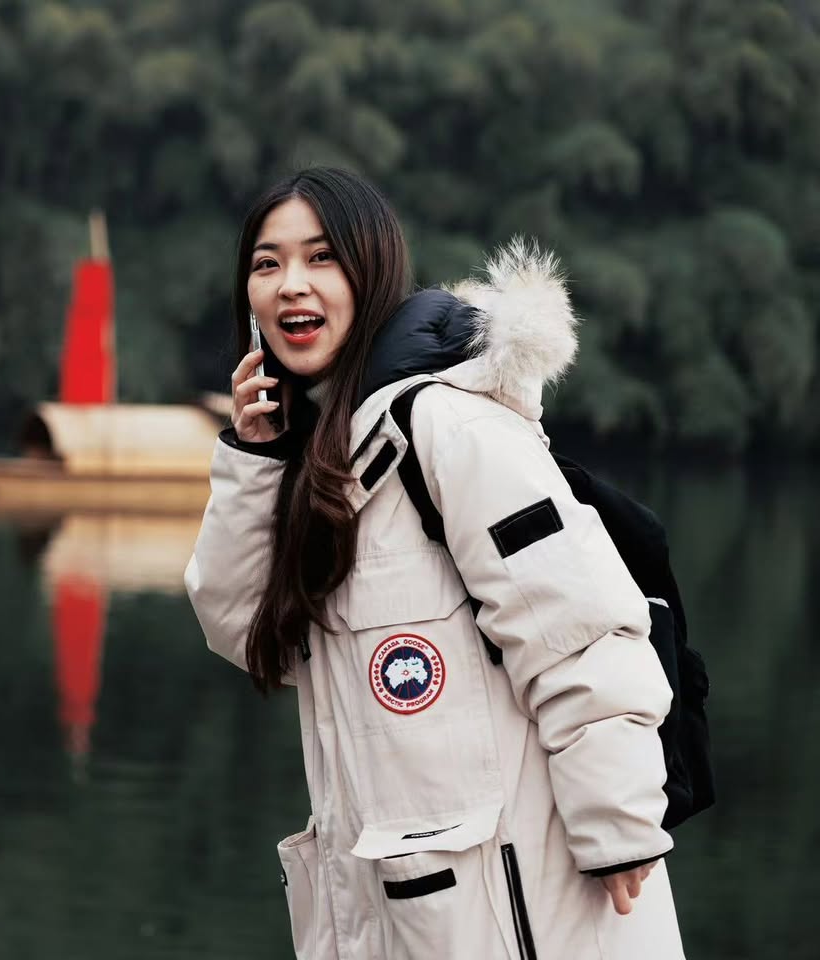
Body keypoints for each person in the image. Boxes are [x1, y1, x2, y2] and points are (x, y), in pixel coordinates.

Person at [184, 167, 685, 960]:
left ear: (373, 270)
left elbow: (579, 629)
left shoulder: (450, 428)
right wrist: (254, 459)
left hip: (530, 903)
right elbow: (246, 635)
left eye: (320, 257)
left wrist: (620, 826)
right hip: (396, 914)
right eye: (266, 264)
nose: (290, 285)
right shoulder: (321, 460)